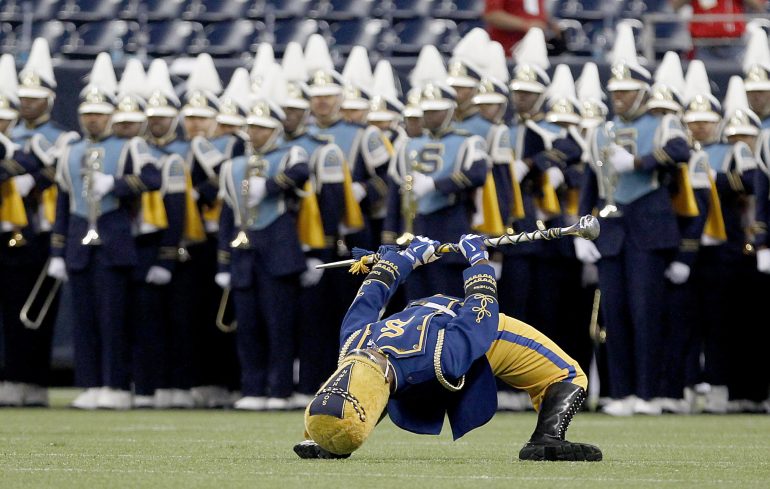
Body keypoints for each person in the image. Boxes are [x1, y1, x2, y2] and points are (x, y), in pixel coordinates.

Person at [293, 233, 601, 462]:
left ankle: (329, 442)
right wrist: (479, 259)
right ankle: (546, 439)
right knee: (570, 375)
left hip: (441, 333)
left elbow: (372, 293)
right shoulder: (430, 355)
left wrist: (407, 258)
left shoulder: (352, 347)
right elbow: (480, 316)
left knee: (371, 391)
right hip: (475, 333)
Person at [670, 0, 768, 60]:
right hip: (703, 46)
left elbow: (758, 6)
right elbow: (674, 5)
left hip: (734, 45)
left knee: (736, 84)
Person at [483, 0, 559, 56]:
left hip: (536, 49)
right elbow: (492, 15)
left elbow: (536, 11)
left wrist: (551, 24)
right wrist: (526, 25)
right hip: (507, 53)